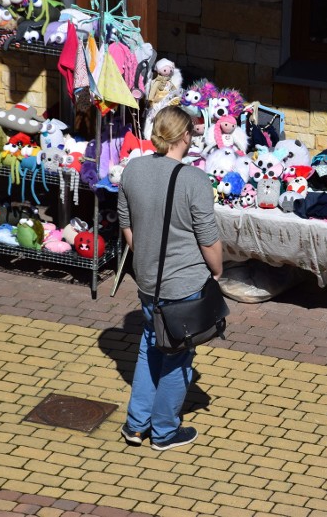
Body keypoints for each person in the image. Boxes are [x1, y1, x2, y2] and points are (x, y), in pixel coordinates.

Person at [117, 105, 224, 451]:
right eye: (191, 132)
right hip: (183, 287)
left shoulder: (133, 169)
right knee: (178, 357)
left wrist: (146, 257)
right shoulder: (193, 179)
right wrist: (218, 270)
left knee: (151, 346)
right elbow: (208, 239)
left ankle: (136, 424)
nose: (193, 137)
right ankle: (164, 432)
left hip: (148, 281)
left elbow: (126, 224)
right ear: (182, 136)